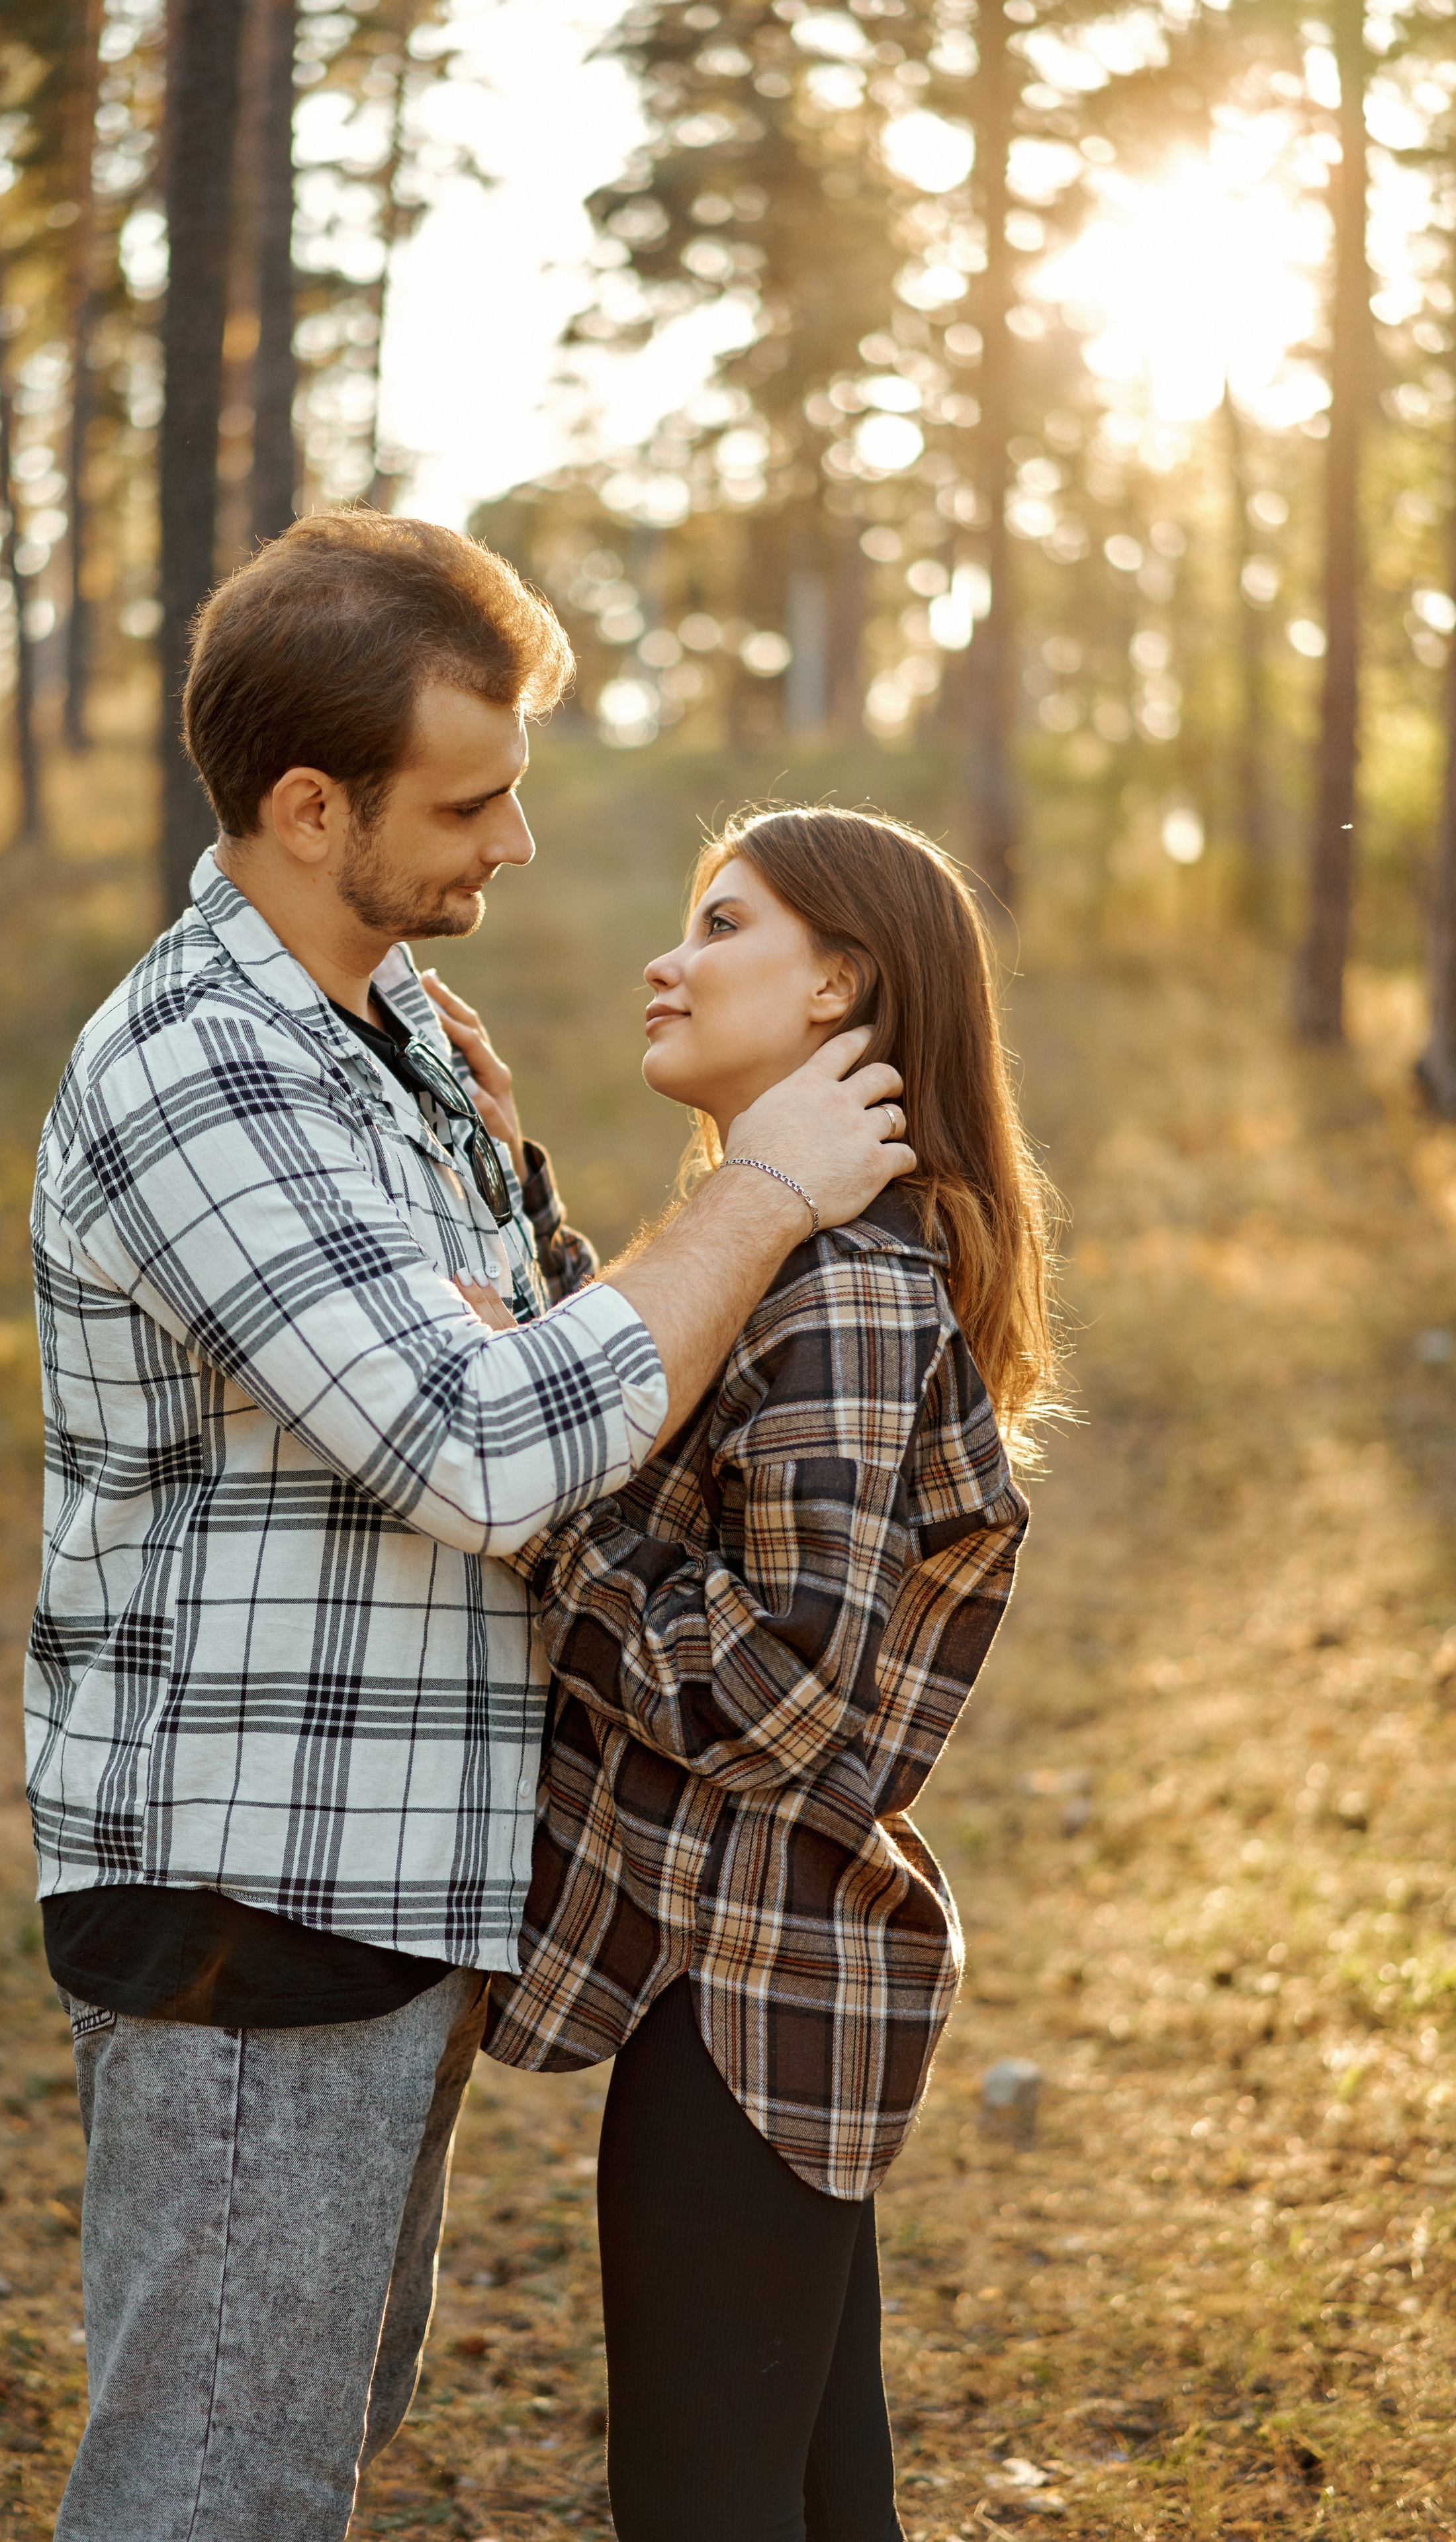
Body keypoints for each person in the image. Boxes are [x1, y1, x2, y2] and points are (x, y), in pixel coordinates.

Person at [26, 511, 914, 2542]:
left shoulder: (397, 1033)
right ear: (308, 805)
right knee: (215, 2491)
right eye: (474, 797)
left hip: (386, 1885)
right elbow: (490, 1448)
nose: (518, 843)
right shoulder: (203, 1073)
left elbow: (553, 1365)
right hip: (253, 1906)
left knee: (297, 2446)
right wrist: (759, 1191)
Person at [468, 806, 1061, 2542]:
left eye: (722, 924)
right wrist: (518, 1194)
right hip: (756, 1977)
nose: (671, 958)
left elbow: (783, 1696)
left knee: (712, 2506)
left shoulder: (852, 1298)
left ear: (841, 990)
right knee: (812, 2497)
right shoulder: (802, 1269)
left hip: (753, 1994)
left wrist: (531, 1529)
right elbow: (657, 1433)